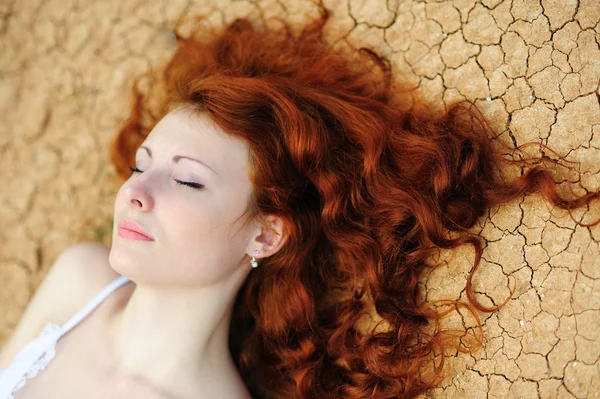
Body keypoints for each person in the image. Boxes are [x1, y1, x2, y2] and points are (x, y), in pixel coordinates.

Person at [0, 4, 599, 399]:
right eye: (141, 167)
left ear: (265, 234)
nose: (134, 193)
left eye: (187, 181)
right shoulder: (80, 278)